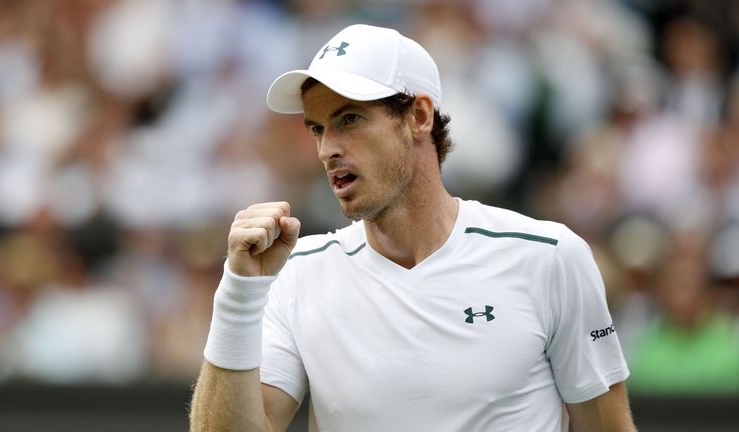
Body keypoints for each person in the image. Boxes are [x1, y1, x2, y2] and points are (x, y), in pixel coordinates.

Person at [190, 24, 636, 431]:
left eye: (350, 120)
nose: (327, 149)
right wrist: (239, 294)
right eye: (317, 129)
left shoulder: (549, 256)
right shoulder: (296, 274)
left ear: (420, 117)